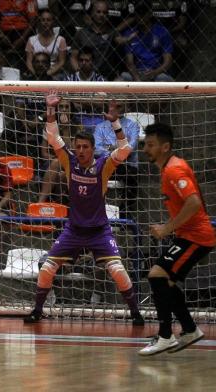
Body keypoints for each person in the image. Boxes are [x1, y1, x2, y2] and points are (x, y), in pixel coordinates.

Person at [23, 91, 144, 326]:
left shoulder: (103, 165)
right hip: (74, 230)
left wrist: (115, 122)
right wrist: (50, 110)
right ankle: (37, 310)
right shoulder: (69, 161)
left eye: (85, 147)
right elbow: (53, 137)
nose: (80, 150)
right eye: (77, 146)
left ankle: (135, 313)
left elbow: (125, 149)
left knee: (118, 270)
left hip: (99, 230)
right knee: (48, 267)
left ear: (92, 148)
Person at [138, 123, 216, 355]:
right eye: (144, 144)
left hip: (197, 237)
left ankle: (165, 335)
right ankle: (190, 330)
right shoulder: (168, 169)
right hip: (189, 236)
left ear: (166, 147)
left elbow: (193, 203)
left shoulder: (174, 170)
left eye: (150, 145)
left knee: (156, 275)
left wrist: (166, 228)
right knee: (165, 282)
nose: (145, 149)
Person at [94, 101, 140, 220]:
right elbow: (97, 150)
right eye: (112, 106)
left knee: (132, 177)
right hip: (106, 163)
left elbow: (130, 148)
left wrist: (111, 148)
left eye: (119, 106)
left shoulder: (133, 125)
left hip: (126, 165)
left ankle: (125, 214)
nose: (115, 109)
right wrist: (117, 150)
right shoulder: (100, 127)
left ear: (126, 107)